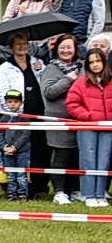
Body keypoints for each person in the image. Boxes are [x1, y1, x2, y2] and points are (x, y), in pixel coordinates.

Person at [0, 33, 50, 198]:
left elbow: (45, 85)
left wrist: (42, 70)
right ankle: (16, 188)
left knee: (40, 150)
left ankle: (39, 186)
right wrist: (13, 111)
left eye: (24, 43)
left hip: (38, 114)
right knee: (18, 151)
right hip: (18, 116)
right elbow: (1, 91)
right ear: (11, 47)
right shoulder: (5, 67)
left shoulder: (37, 62)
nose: (22, 46)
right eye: (18, 44)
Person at [40, 35, 84, 205]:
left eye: (69, 47)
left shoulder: (82, 67)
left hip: (79, 119)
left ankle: (75, 190)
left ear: (75, 49)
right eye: (62, 47)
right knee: (60, 156)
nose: (66, 51)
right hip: (58, 120)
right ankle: (59, 191)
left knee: (76, 156)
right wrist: (68, 80)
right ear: (56, 49)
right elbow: (49, 92)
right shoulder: (51, 69)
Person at [68, 47, 112, 207]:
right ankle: (88, 195)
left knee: (104, 161)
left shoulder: (111, 81)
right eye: (91, 62)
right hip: (87, 127)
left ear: (104, 62)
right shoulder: (81, 82)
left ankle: (100, 194)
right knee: (88, 159)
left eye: (98, 61)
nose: (95, 65)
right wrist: (88, 116)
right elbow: (71, 104)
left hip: (108, 128)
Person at [0, 89, 32, 200]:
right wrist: (4, 147)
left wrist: (15, 147)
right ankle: (12, 193)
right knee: (11, 174)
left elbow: (25, 134)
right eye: (10, 101)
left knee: (21, 174)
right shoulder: (4, 118)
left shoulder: (24, 117)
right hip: (7, 151)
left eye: (16, 102)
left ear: (21, 103)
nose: (13, 104)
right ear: (6, 103)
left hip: (22, 151)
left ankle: (22, 193)